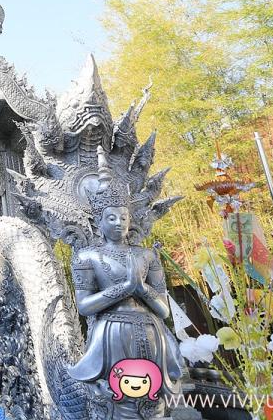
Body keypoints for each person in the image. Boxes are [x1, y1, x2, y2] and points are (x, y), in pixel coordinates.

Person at [67, 152, 182, 419]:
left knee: (151, 400)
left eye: (123, 217)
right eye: (111, 218)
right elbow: (84, 306)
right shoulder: (86, 257)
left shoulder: (146, 255)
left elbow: (164, 310)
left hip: (152, 332)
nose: (119, 223)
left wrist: (140, 289)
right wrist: (124, 287)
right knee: (119, 400)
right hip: (111, 334)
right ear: (98, 221)